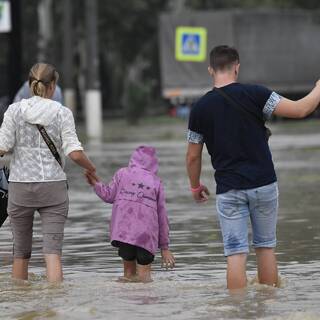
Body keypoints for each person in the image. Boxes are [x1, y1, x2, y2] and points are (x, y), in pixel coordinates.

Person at [186, 45, 320, 290]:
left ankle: (237, 310)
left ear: (210, 70)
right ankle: (267, 307)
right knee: (265, 246)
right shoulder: (257, 94)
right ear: (237, 67)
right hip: (264, 185)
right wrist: (319, 88)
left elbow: (193, 157)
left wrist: (195, 186)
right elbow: (302, 109)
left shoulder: (200, 109)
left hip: (229, 190)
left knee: (236, 253)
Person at [0, 63, 97, 283]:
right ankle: (56, 306)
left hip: (20, 187)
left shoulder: (14, 111)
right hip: (53, 188)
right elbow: (74, 153)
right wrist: (91, 168)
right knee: (52, 253)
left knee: (20, 253)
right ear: (53, 86)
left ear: (29, 84)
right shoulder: (62, 113)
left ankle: (21, 303)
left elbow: (2, 147)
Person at [86, 145, 175, 282]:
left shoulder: (122, 174)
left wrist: (96, 184)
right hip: (146, 238)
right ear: (153, 162)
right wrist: (165, 248)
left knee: (128, 277)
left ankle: (126, 302)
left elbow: (108, 196)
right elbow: (162, 217)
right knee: (145, 280)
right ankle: (146, 301)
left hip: (124, 235)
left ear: (133, 159)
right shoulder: (156, 182)